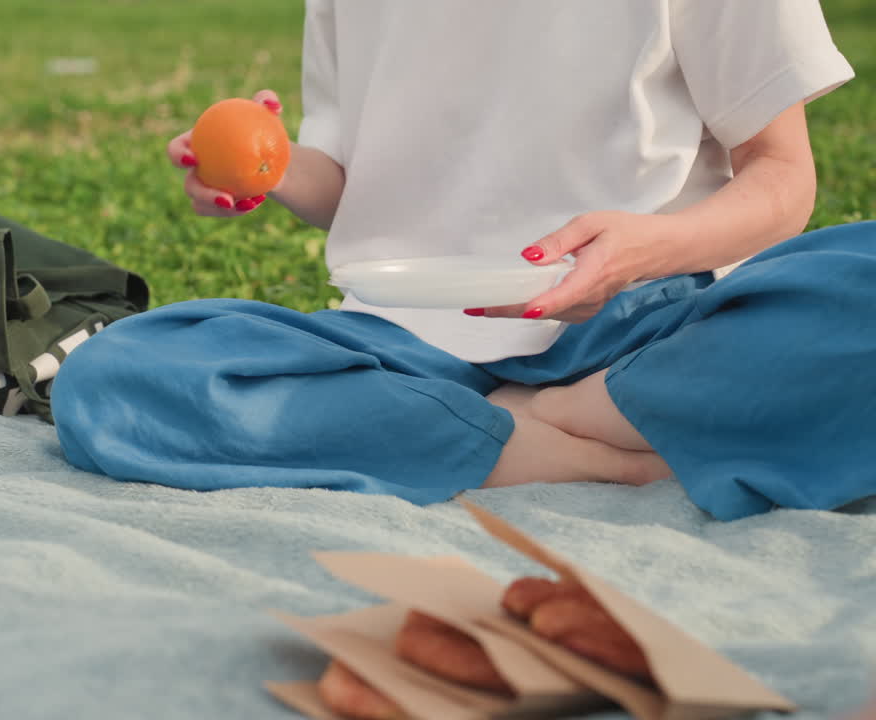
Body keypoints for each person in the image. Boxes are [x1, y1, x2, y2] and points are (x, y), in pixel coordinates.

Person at [49, 1, 872, 523]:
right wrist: (271, 168)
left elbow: (782, 178)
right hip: (406, 343)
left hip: (645, 321)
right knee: (118, 378)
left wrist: (641, 252)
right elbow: (356, 184)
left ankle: (538, 423)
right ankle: (566, 446)